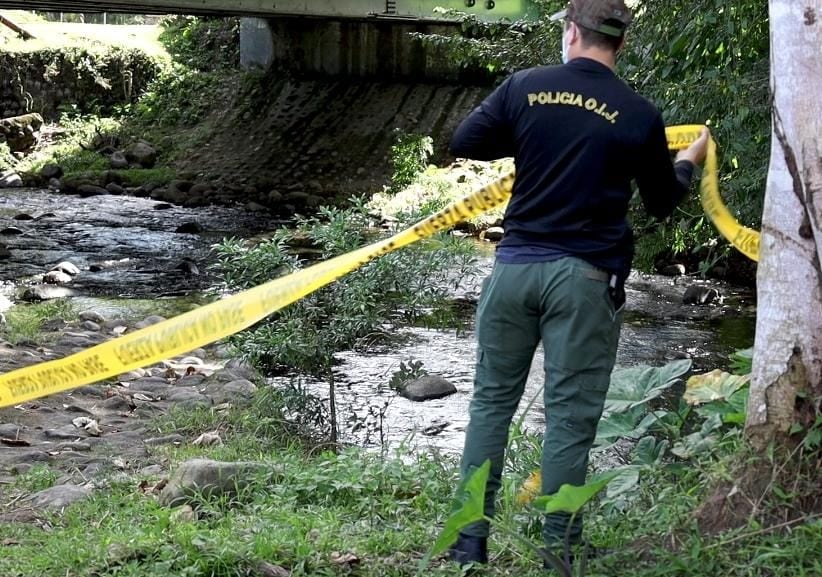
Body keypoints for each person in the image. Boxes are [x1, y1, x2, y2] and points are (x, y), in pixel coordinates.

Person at [446, 0, 710, 567]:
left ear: (571, 32)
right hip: (585, 280)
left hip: (513, 270)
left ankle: (468, 542)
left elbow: (463, 141)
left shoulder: (524, 88)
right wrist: (688, 161)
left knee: (491, 405)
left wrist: (531, 133)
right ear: (620, 43)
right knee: (569, 419)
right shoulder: (638, 112)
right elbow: (664, 203)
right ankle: (559, 552)